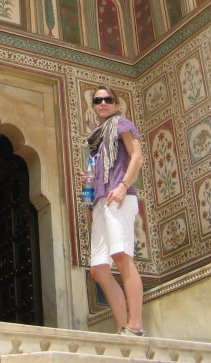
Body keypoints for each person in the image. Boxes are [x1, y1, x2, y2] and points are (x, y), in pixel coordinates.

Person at [79, 86, 145, 337]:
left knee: (121, 256)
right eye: (98, 100)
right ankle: (122, 328)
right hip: (101, 201)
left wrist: (123, 185)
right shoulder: (97, 139)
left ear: (116, 104)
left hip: (119, 197)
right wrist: (89, 178)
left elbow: (136, 156)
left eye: (108, 99)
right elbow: (104, 167)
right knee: (98, 268)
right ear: (93, 107)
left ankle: (135, 326)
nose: (103, 103)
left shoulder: (122, 125)